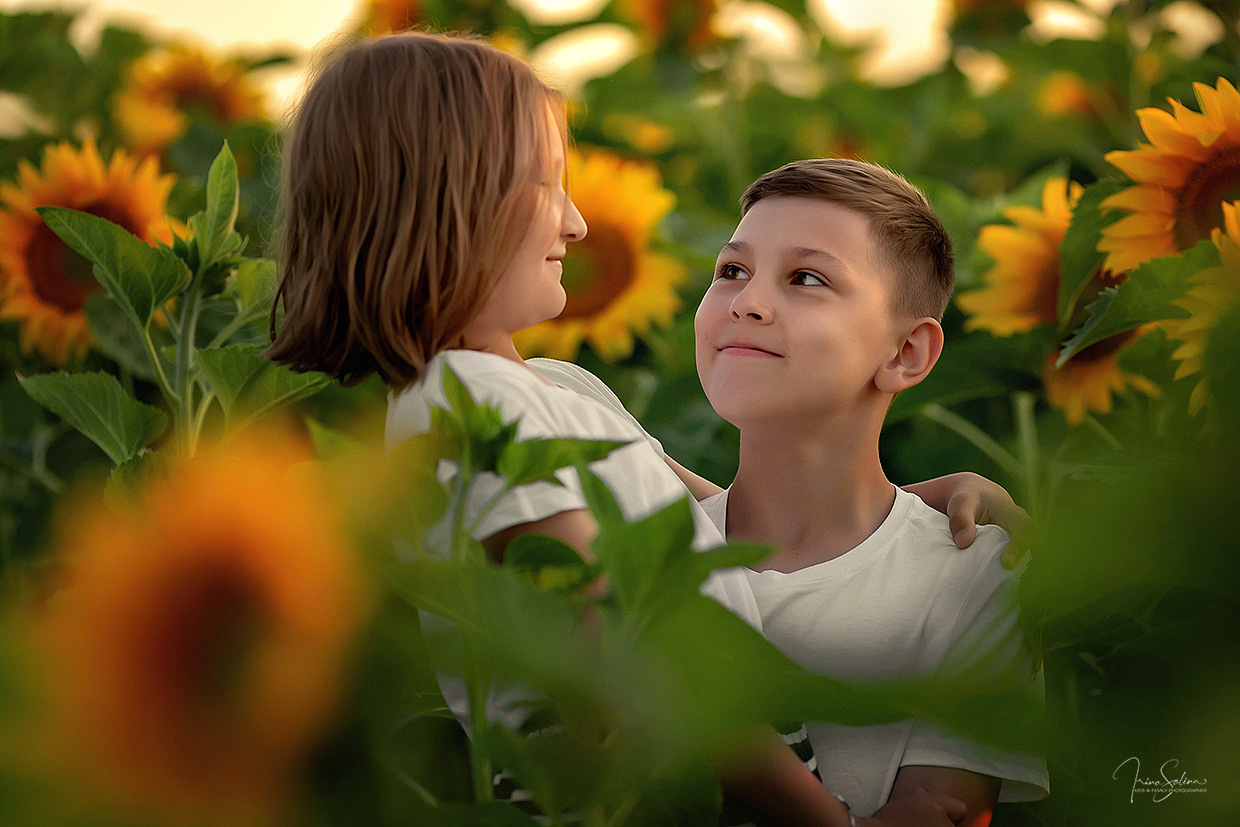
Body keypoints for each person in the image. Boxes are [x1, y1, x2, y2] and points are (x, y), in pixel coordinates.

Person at [265, 31, 1025, 826]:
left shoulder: (549, 389)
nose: (579, 222)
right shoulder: (467, 410)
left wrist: (931, 498)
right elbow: (641, 632)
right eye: (545, 183)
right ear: (444, 199)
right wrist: (829, 820)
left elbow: (722, 516)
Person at [690, 158, 1051, 823]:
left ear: (906, 352)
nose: (747, 301)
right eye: (731, 270)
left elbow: (948, 809)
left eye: (806, 278)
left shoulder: (968, 576)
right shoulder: (630, 535)